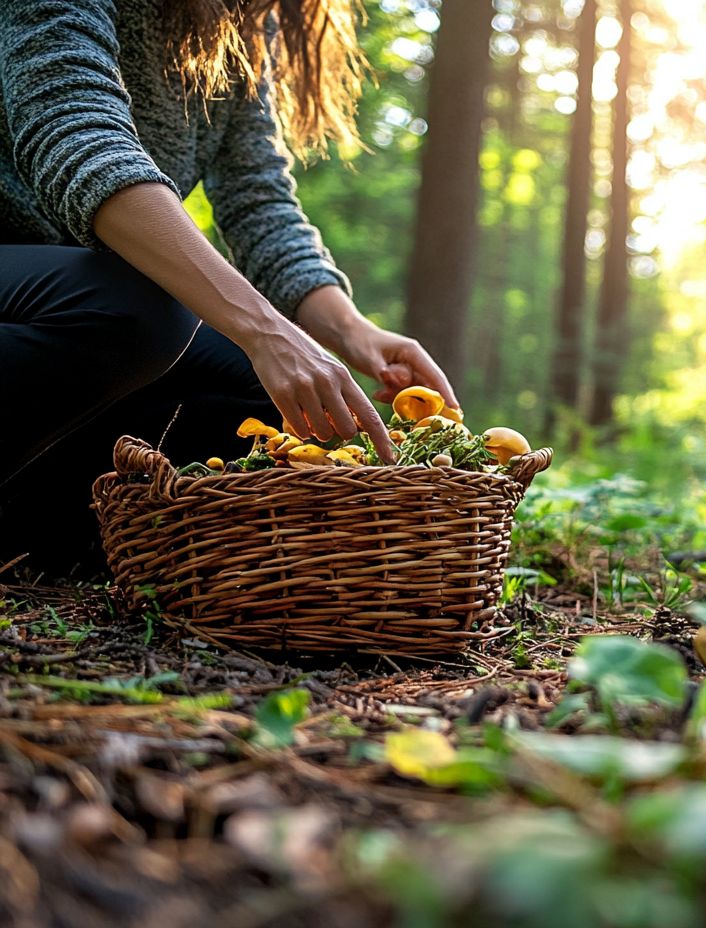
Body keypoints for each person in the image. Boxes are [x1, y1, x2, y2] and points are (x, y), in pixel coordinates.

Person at [0, 0, 456, 577]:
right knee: (144, 309)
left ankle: (41, 537)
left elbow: (256, 198)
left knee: (278, 403)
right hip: (31, 288)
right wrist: (264, 328)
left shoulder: (240, 18)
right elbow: (74, 131)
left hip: (71, 304)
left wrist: (351, 331)